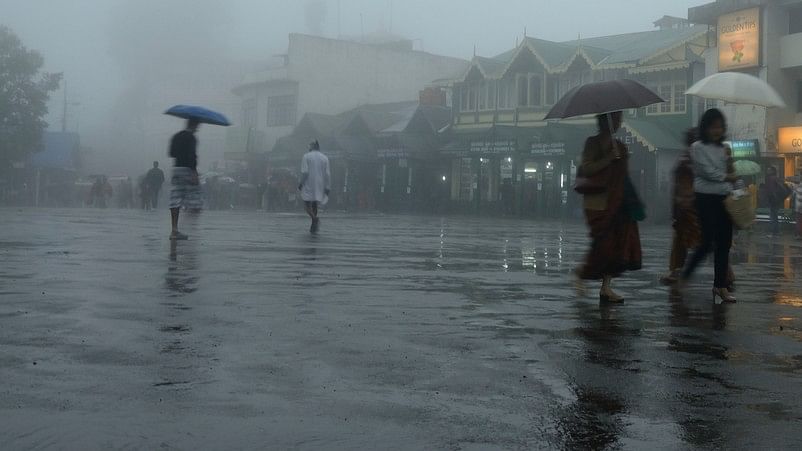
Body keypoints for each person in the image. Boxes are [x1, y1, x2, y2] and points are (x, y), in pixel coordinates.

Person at [575, 112, 643, 303]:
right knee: (602, 243)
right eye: (615, 119)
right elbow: (587, 169)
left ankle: (606, 286)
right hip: (598, 202)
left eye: (619, 119)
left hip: (618, 201)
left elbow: (623, 177)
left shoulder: (620, 146)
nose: (618, 122)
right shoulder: (592, 143)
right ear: (605, 121)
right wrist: (608, 158)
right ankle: (582, 272)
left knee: (617, 245)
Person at [661, 129, 736, 288]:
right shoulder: (697, 157)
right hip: (697, 205)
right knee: (704, 241)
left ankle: (724, 275)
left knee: (692, 240)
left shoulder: (690, 158)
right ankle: (725, 275)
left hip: (693, 206)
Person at [679, 109, 738, 304]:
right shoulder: (697, 147)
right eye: (713, 126)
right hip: (705, 198)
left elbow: (731, 173)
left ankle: (720, 286)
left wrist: (730, 164)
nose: (717, 130)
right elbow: (706, 171)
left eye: (720, 127)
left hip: (724, 198)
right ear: (705, 127)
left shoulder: (724, 148)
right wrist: (726, 176)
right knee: (706, 242)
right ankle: (685, 276)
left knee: (724, 244)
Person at [168, 119, 202, 240]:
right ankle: (184, 224)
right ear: (194, 125)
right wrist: (194, 172)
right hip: (187, 170)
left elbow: (171, 153)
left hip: (176, 169)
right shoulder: (192, 138)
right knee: (195, 201)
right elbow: (192, 155)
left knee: (175, 199)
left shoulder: (176, 136)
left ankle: (174, 229)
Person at [298, 140, 330, 233]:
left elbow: (305, 172)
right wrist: (327, 187)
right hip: (320, 183)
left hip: (309, 183)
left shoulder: (306, 156)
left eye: (309, 146)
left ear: (312, 147)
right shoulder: (324, 158)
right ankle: (313, 224)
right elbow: (327, 174)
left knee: (307, 205)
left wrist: (301, 184)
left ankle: (314, 219)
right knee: (315, 203)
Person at [765, 166, 790, 235]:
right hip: (777, 199)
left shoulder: (770, 179)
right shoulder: (776, 178)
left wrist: (771, 197)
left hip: (773, 199)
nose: (767, 171)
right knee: (775, 215)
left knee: (773, 216)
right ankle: (777, 231)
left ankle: (772, 231)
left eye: (769, 170)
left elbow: (771, 190)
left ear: (772, 171)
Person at [794, 174, 802, 238]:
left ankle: (798, 234)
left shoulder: (796, 186)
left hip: (798, 206)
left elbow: (794, 194)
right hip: (799, 206)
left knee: (798, 221)